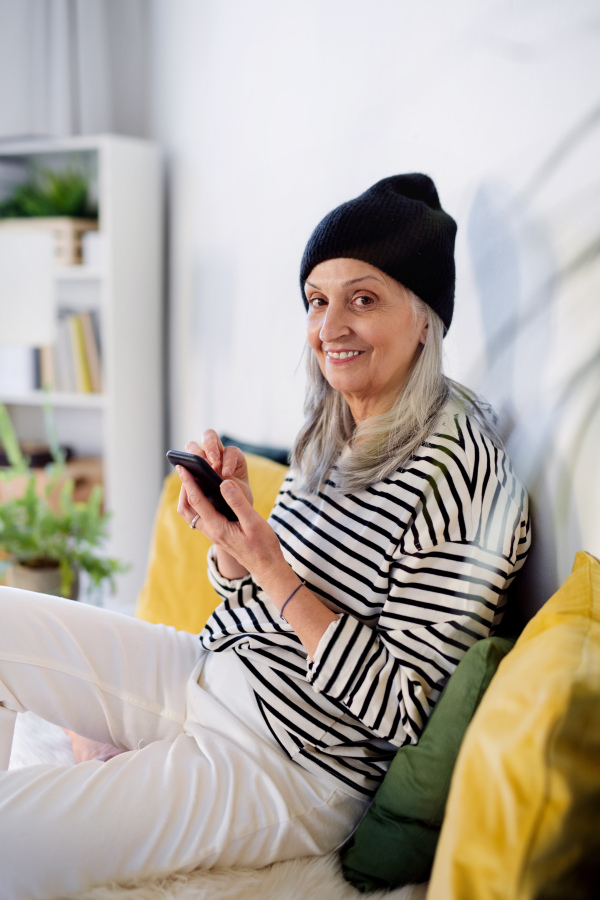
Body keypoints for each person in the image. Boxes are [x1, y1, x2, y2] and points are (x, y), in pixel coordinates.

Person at [0, 174, 530, 899]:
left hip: (293, 764)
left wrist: (272, 569)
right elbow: (253, 591)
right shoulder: (340, 422)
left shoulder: (467, 475)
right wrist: (231, 536)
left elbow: (402, 711)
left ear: (424, 315)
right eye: (318, 300)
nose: (330, 327)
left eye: (363, 299)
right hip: (206, 674)